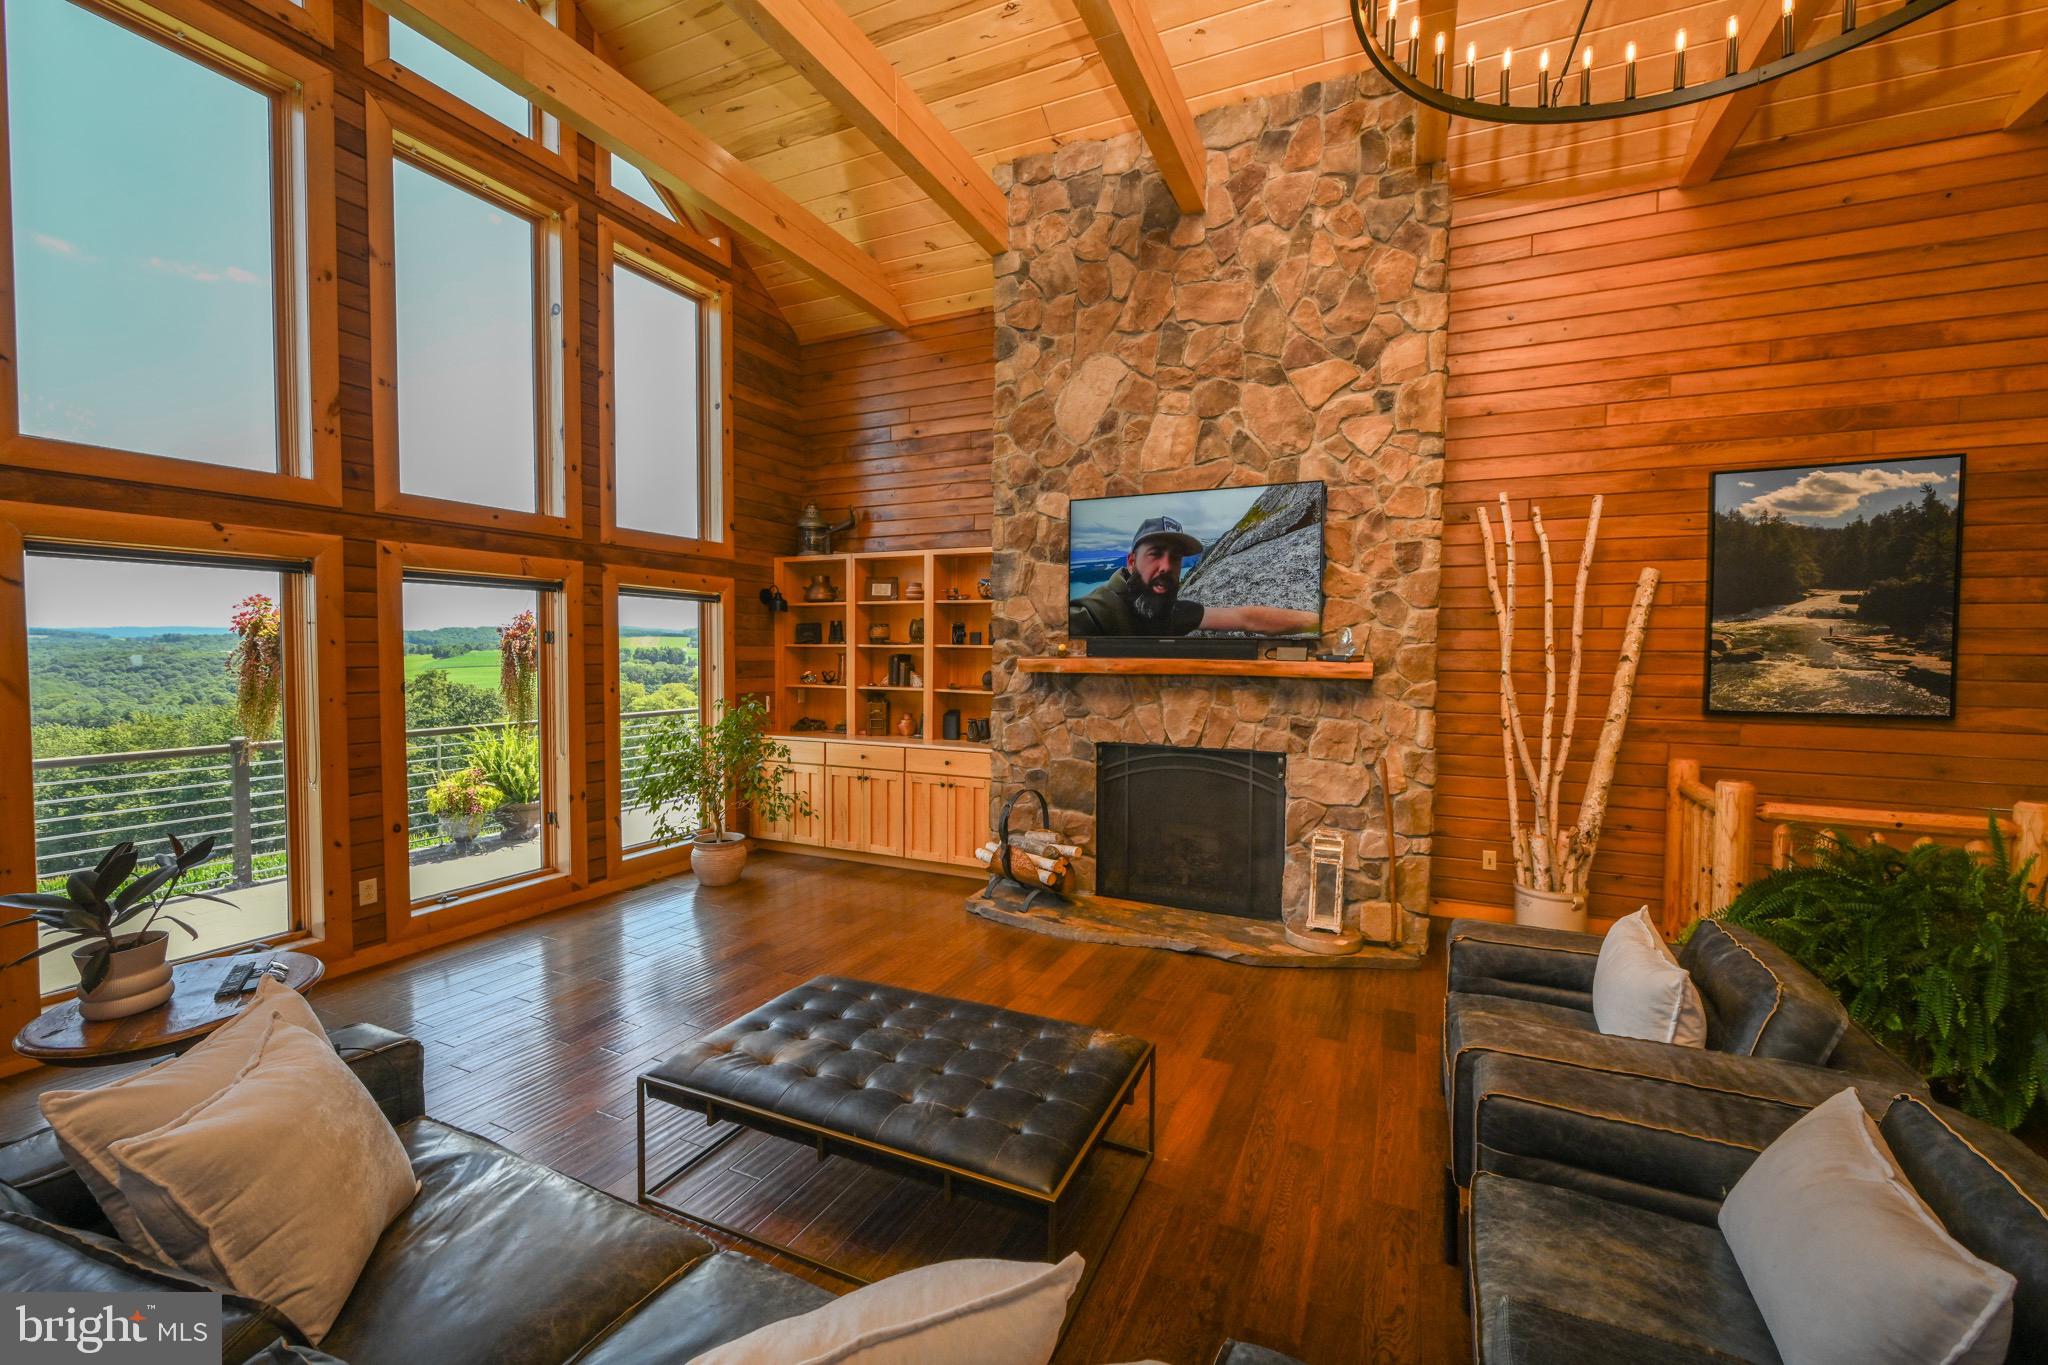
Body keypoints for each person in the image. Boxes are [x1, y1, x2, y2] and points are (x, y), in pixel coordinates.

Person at [1069, 516, 1319, 638]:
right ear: (1132, 562)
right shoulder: (1093, 615)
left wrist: (1320, 623)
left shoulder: (1167, 610)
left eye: (1176, 558)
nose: (1166, 567)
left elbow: (1246, 618)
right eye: (1155, 554)